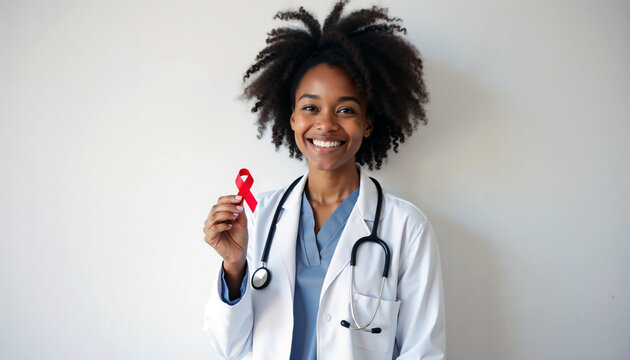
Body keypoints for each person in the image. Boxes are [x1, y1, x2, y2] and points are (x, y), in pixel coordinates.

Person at [202, 1, 445, 359]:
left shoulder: (406, 228)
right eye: (311, 108)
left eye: (345, 109)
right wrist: (234, 266)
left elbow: (422, 351)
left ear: (367, 124)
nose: (326, 124)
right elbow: (228, 347)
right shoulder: (257, 217)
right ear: (293, 120)